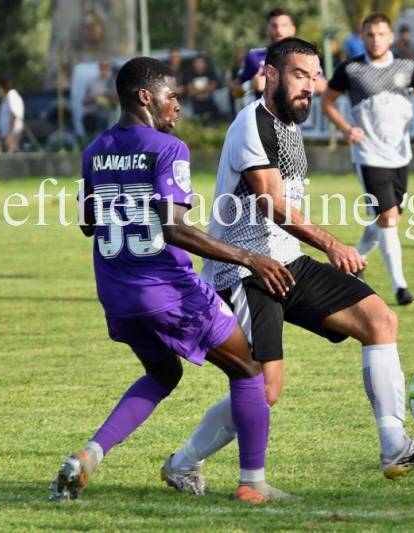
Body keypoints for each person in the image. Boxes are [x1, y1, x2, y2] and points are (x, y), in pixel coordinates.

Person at [160, 37, 414, 495]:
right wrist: (331, 244)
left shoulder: (289, 125)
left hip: (287, 262)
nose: (311, 87)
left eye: (315, 77)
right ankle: (183, 464)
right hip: (244, 272)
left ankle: (394, 445)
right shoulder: (251, 124)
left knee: (379, 320)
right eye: (300, 75)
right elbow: (272, 204)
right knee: (264, 390)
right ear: (271, 74)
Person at [49, 57, 297, 504]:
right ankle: (252, 483)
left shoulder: (94, 149)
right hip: (167, 291)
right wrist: (250, 258)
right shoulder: (168, 148)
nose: (178, 105)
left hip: (116, 294)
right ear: (146, 97)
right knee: (249, 369)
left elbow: (88, 223)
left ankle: (90, 453)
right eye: (172, 95)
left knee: (163, 372)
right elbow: (175, 229)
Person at [322, 13, 414, 306]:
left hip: (400, 154)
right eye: (370, 35)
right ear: (362, 37)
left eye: (381, 34)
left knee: (388, 218)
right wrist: (346, 129)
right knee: (388, 218)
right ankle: (400, 287)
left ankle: (354, 261)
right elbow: (327, 101)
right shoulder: (350, 69)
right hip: (369, 155)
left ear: (391, 36)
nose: (376, 40)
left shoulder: (407, 67)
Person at [236, 8, 326, 101]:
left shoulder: (306, 55)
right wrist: (250, 85)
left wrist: (289, 81)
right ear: (267, 29)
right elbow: (235, 92)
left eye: (284, 25)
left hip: (299, 109)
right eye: (274, 26)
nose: (279, 30)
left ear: (293, 29)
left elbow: (324, 86)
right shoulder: (253, 56)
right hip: (265, 110)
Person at [82, 60, 117, 137]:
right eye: (102, 67)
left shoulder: (113, 83)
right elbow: (84, 102)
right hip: (92, 116)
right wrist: (93, 98)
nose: (103, 69)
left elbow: (114, 103)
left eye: (106, 67)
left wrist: (99, 97)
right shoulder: (92, 82)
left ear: (109, 68)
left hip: (107, 117)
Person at [0, 78, 24, 153]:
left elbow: (14, 115)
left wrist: (10, 133)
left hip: (11, 134)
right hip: (9, 133)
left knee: (11, 154)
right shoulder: (8, 97)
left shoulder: (12, 96)